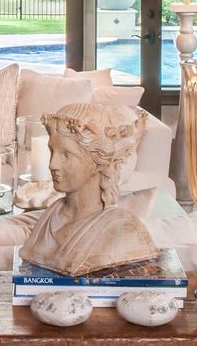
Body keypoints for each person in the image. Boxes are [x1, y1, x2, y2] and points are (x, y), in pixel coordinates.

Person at [19, 96, 156, 276]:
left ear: (98, 161)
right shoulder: (52, 214)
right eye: (52, 151)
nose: (52, 164)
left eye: (67, 155)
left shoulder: (123, 228)